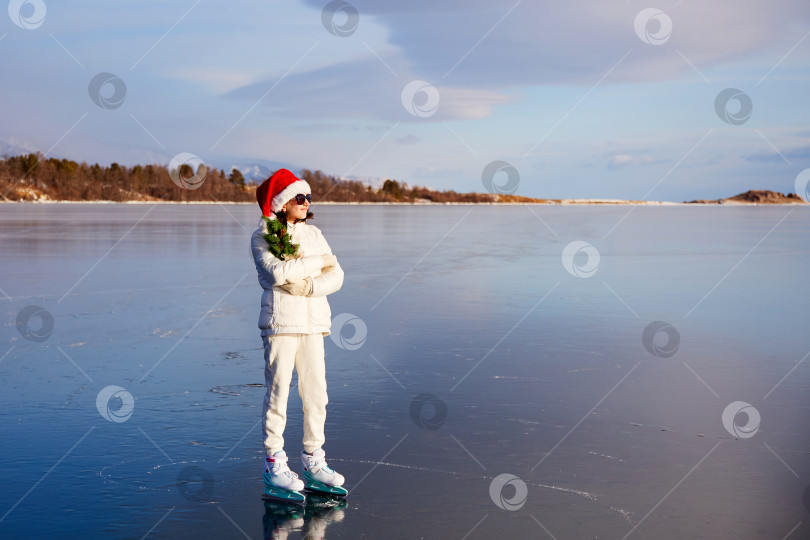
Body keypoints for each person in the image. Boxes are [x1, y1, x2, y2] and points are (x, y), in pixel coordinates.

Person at [250, 168, 346, 495]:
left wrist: (307, 286)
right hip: (281, 322)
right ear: (282, 202)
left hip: (314, 321)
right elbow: (277, 273)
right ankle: (274, 463)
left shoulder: (314, 234)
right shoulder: (262, 235)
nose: (306, 203)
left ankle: (313, 459)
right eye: (299, 197)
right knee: (278, 391)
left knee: (316, 392)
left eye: (308, 197)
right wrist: (317, 262)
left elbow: (336, 276)